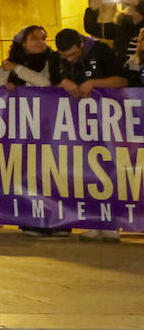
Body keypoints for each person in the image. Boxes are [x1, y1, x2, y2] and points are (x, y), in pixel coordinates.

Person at [53, 27, 129, 243]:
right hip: (77, 125)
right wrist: (62, 83)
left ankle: (112, 222)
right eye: (64, 56)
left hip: (108, 121)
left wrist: (94, 83)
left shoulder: (101, 51)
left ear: (80, 45)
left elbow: (122, 80)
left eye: (72, 54)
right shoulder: (57, 59)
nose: (69, 59)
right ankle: (92, 222)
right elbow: (49, 81)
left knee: (110, 171)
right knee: (85, 173)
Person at [83, 0, 143, 67]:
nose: (129, 6)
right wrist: (92, 10)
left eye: (132, 5)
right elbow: (91, 28)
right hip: (125, 73)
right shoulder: (120, 28)